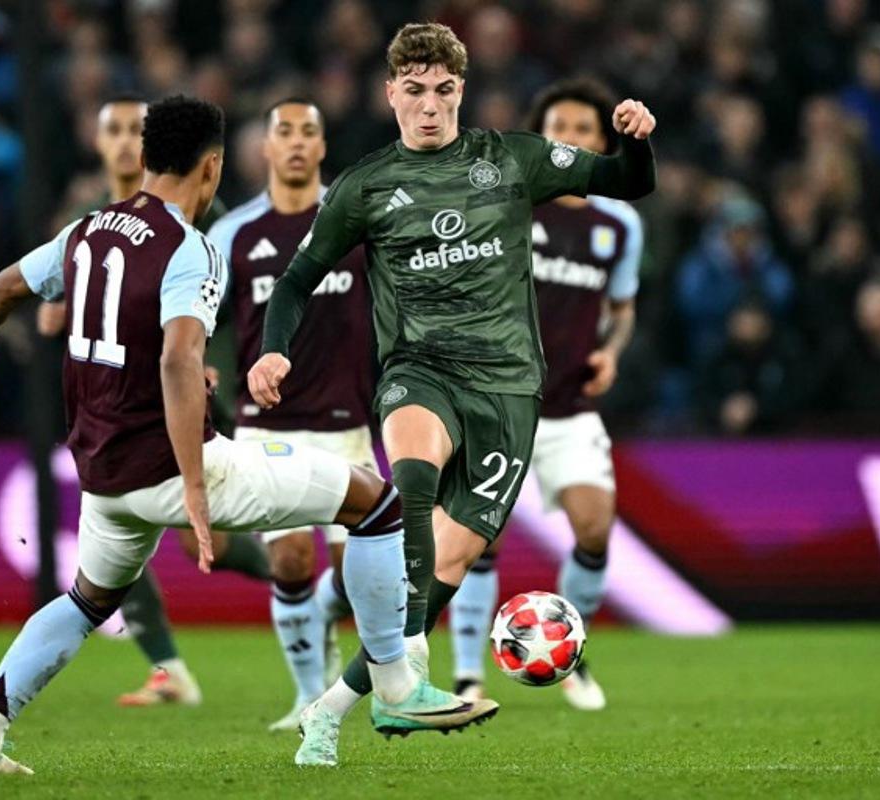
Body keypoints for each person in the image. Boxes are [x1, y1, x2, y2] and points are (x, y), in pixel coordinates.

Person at [0, 95, 491, 776]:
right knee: (377, 505)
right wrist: (196, 489)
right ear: (214, 167)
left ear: (143, 158)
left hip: (103, 478)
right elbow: (178, 358)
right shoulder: (188, 248)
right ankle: (397, 689)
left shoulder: (84, 232)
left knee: (86, 600)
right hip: (171, 468)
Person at [248, 23, 656, 766]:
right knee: (411, 478)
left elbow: (629, 181)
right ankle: (408, 682)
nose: (429, 107)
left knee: (451, 562)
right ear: (390, 94)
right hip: (418, 369)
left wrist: (636, 138)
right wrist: (273, 347)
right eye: (414, 91)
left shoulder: (512, 160)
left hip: (507, 388)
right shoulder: (366, 185)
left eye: (442, 90)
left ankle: (334, 710)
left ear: (460, 91)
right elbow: (297, 281)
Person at [39, 94, 271, 710]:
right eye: (109, 129)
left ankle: (296, 580)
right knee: (123, 534)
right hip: (118, 406)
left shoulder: (202, 213)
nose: (120, 141)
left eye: (128, 129)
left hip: (185, 393)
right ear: (99, 143)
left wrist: (211, 363)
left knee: (205, 540)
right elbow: (45, 309)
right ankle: (169, 668)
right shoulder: (85, 219)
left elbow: (226, 300)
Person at [445, 77, 645, 710]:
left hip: (569, 406)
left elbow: (623, 307)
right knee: (481, 537)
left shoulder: (619, 223)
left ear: (601, 142)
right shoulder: (510, 202)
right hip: (498, 402)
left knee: (594, 526)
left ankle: (573, 659)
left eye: (585, 130)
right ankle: (467, 673)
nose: (572, 138)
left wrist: (611, 355)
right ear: (543, 137)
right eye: (559, 127)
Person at [207, 98, 372, 731]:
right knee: (290, 561)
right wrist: (199, 363)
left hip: (345, 422)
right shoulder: (235, 233)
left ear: (322, 147)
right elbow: (200, 313)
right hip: (267, 426)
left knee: (361, 577)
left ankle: (325, 626)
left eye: (309, 132)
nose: (297, 143)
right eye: (285, 133)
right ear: (266, 149)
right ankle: (310, 698)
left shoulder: (354, 220)